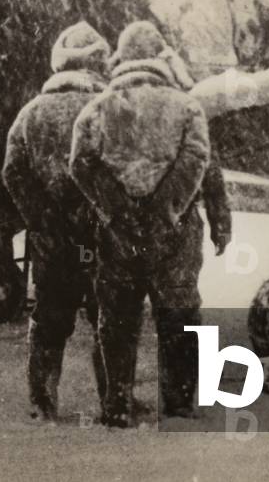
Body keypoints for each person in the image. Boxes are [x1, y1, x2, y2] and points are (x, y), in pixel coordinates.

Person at [70, 21, 215, 427]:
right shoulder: (187, 106)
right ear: (159, 56)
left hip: (117, 236)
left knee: (117, 319)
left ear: (123, 57)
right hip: (175, 233)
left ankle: (117, 403)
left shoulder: (98, 107)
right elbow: (197, 159)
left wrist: (117, 209)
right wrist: (164, 209)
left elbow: (80, 163)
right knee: (179, 315)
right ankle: (179, 403)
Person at [3, 21, 111, 420]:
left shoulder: (31, 112)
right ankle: (113, 401)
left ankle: (43, 400)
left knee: (50, 317)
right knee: (108, 317)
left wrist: (42, 217)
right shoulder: (111, 109)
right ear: (99, 61)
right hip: (100, 237)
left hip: (53, 238)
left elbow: (13, 171)